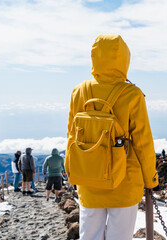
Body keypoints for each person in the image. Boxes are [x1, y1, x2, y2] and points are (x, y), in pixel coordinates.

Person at [65, 34, 158, 240]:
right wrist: (151, 179)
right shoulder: (132, 94)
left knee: (89, 236)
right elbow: (143, 142)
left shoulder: (79, 91)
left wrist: (70, 170)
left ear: (95, 57)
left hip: (88, 179)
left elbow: (72, 136)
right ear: (125, 59)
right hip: (124, 182)